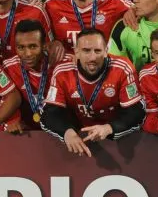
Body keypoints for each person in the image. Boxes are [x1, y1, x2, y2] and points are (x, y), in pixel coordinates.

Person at [41, 29, 145, 157]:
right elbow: (49, 113)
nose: (92, 57)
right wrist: (67, 132)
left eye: (98, 51)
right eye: (86, 51)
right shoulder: (62, 71)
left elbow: (136, 112)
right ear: (76, 52)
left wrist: (109, 128)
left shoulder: (122, 67)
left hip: (115, 137)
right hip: (78, 138)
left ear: (106, 51)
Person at [2, 19, 57, 131]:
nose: (27, 54)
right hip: (27, 132)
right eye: (21, 47)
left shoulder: (59, 64)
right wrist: (12, 121)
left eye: (33, 47)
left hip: (60, 130)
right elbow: (1, 101)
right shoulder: (8, 68)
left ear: (44, 45)